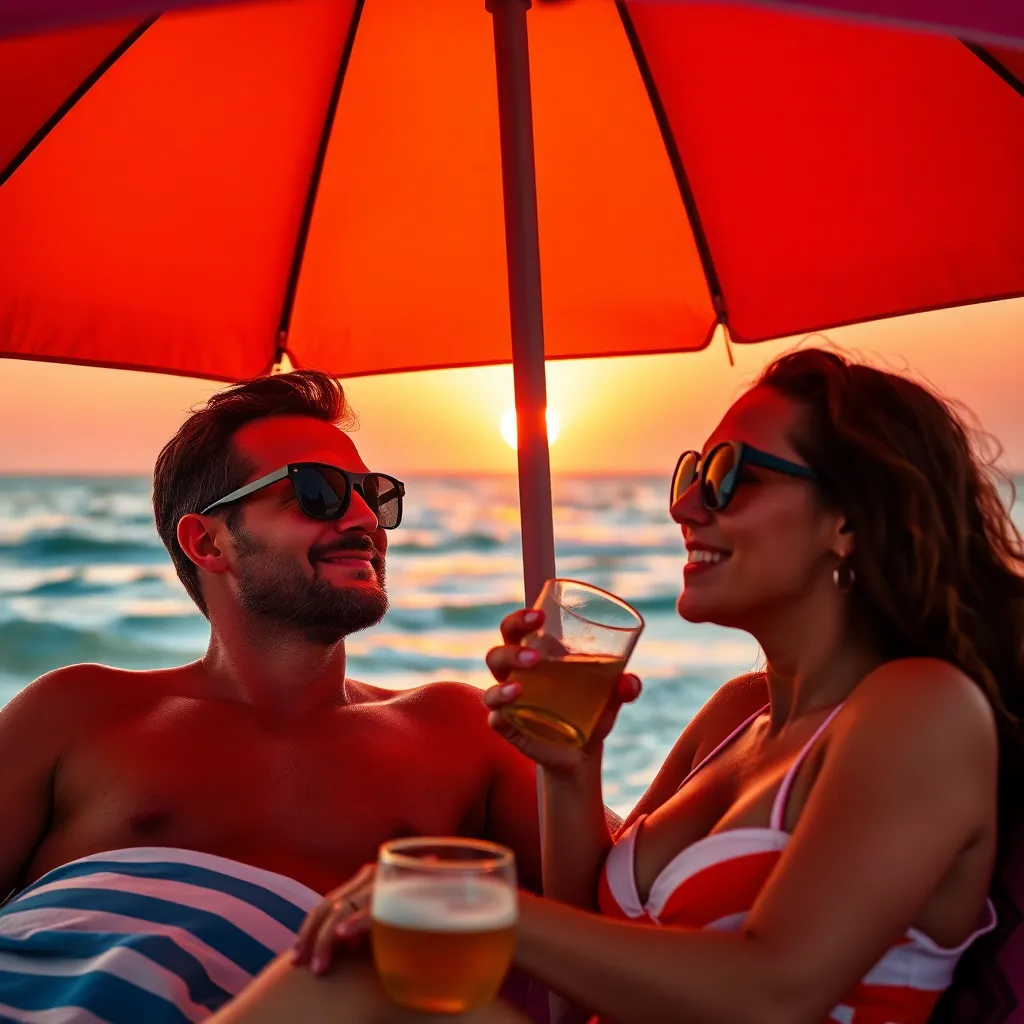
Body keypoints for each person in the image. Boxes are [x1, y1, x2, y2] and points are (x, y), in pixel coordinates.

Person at [296, 347, 1024, 1023]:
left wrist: (478, 903)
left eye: (730, 475)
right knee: (366, 966)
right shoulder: (740, 713)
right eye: (690, 472)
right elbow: (594, 943)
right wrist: (571, 768)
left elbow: (776, 991)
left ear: (848, 520)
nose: (684, 506)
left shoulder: (921, 707)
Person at [0, 369, 541, 1021]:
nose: (366, 518)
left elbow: (604, 929)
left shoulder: (460, 730)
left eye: (374, 495)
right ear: (209, 542)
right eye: (318, 492)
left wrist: (573, 757)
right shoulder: (76, 710)